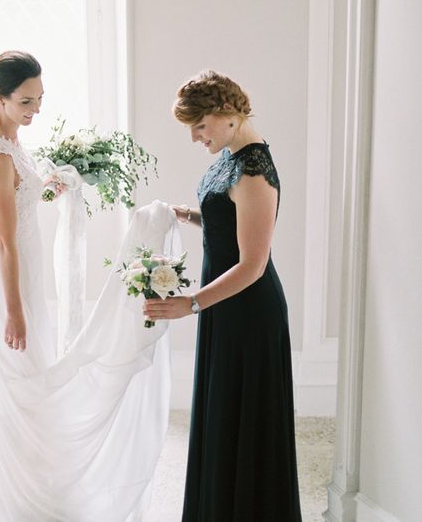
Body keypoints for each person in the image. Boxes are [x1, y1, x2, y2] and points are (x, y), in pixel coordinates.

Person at [0, 51, 176, 521]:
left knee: (29, 373)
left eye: (39, 99)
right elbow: (4, 240)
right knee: (25, 375)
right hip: (9, 272)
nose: (35, 110)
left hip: (20, 261)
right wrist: (14, 312)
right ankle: (23, 497)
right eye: (25, 102)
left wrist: (36, 189)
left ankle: (36, 475)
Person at [144, 70, 302, 521]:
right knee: (223, 418)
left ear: (227, 114)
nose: (195, 136)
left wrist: (190, 304)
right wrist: (188, 215)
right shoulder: (231, 156)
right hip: (225, 307)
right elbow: (226, 221)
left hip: (249, 311)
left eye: (199, 125)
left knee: (245, 425)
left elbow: (252, 264)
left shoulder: (254, 169)